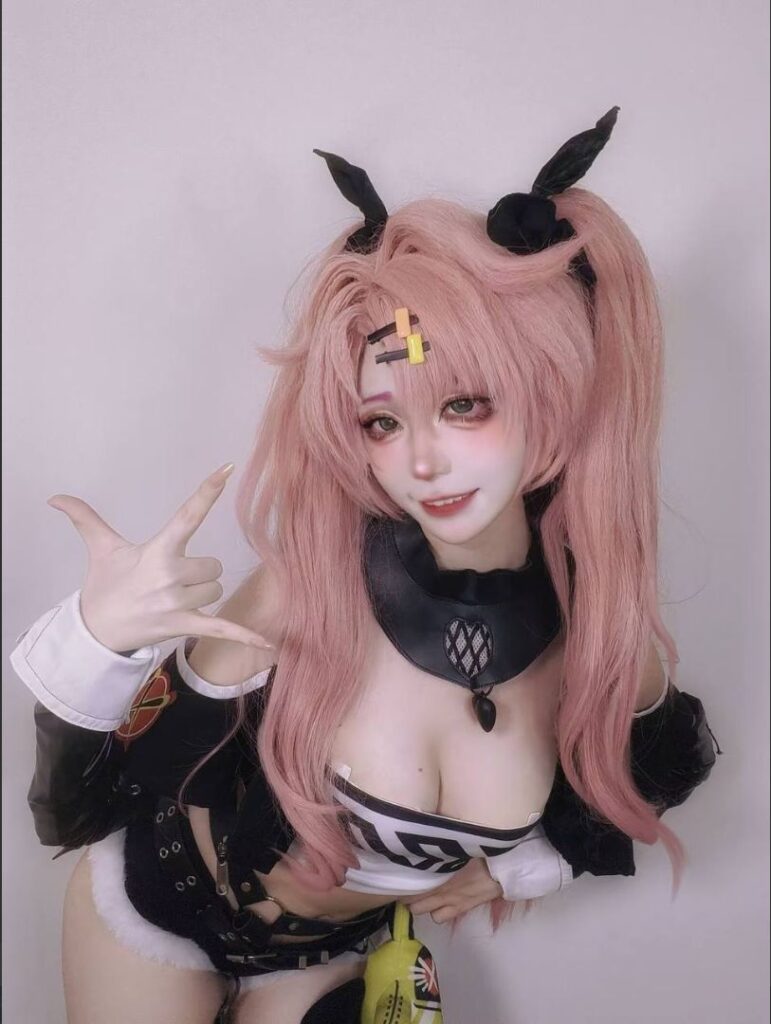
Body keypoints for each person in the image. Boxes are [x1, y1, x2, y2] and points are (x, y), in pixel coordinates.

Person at [10, 106, 720, 1024]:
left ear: (552, 394)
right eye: (382, 420)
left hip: (329, 956)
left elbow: (661, 767)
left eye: (463, 405)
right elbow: (80, 807)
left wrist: (525, 863)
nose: (421, 460)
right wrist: (97, 647)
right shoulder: (312, 584)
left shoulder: (598, 633)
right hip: (158, 910)